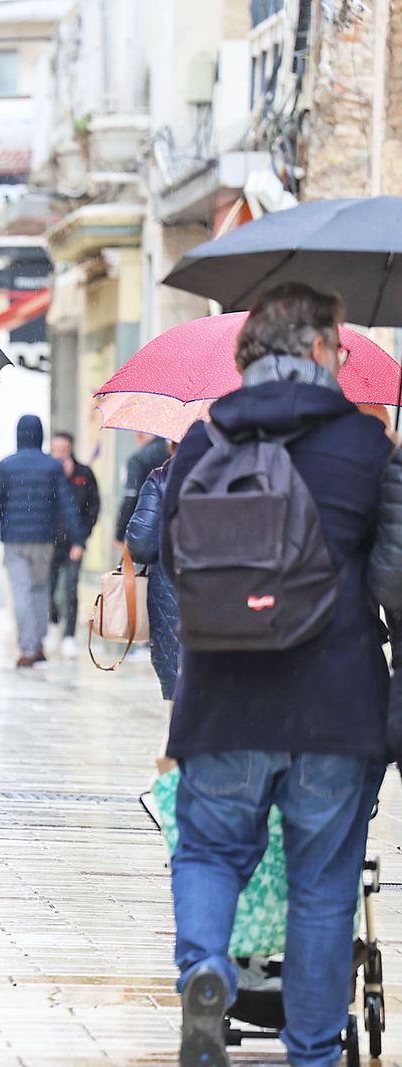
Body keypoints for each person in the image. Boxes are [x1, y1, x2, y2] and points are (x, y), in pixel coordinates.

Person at [162, 284, 392, 1067]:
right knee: (325, 887)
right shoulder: (367, 447)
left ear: (245, 357)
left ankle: (203, 968)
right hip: (336, 706)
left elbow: (172, 560)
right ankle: (314, 1054)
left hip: (223, 702)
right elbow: (395, 579)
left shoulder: (200, 444)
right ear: (324, 349)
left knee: (208, 852)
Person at [0, 416, 84, 668]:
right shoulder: (52, 466)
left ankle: (28, 646)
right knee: (40, 589)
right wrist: (78, 538)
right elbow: (67, 504)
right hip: (44, 539)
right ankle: (38, 643)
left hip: (14, 539)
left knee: (22, 591)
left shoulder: (7, 466)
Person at [125, 452, 177, 702]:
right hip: (228, 590)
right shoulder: (238, 473)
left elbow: (142, 545)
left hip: (171, 587)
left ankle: (173, 732)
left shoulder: (161, 478)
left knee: (174, 667)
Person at [47, 432, 99, 654]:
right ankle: (53, 621)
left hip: (74, 543)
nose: (59, 453)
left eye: (63, 449)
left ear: (70, 449)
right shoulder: (45, 472)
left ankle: (69, 634)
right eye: (55, 449)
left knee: (70, 587)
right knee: (47, 587)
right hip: (49, 542)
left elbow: (93, 508)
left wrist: (82, 538)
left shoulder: (84, 474)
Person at [115, 432, 170, 547]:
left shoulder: (138, 459)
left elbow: (131, 497)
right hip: (172, 527)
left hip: (146, 527)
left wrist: (120, 533)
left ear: (140, 434)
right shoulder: (172, 456)